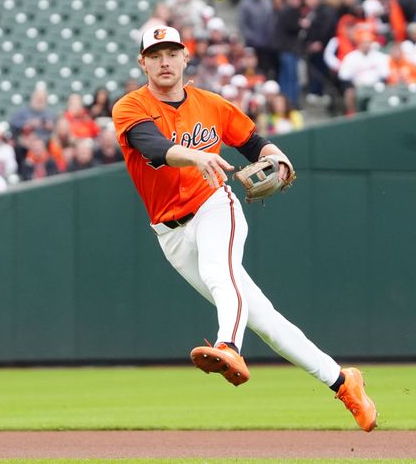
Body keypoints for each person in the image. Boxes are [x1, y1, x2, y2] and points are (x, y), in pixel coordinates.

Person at [112, 25, 377, 432]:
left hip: (215, 205)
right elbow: (153, 147)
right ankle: (344, 383)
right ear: (142, 62)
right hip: (171, 234)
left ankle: (228, 347)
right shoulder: (130, 107)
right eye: (155, 55)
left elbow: (254, 143)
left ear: (186, 58)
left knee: (222, 275)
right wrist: (195, 157)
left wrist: (280, 158)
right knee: (265, 320)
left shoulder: (213, 105)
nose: (164, 62)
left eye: (171, 53)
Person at [237, 0, 277, 77]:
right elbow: (242, 23)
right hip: (252, 43)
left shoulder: (267, 1)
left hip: (266, 44)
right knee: (251, 67)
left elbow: (271, 20)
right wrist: (252, 37)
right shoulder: (245, 3)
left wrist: (269, 37)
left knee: (265, 68)